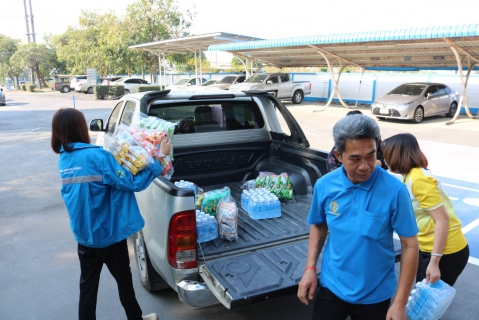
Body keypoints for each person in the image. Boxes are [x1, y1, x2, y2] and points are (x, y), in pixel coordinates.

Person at [297, 114, 419, 320]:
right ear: (338, 155)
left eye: (370, 156)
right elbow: (319, 225)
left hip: (375, 295)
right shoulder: (324, 185)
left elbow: (410, 245)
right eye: (355, 158)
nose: (365, 166)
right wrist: (310, 268)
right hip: (331, 286)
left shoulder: (395, 191)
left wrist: (400, 302)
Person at [51, 108, 168, 320]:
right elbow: (130, 182)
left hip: (85, 234)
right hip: (108, 234)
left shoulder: (64, 159)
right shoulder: (98, 156)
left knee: (88, 287)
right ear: (80, 128)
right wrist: (160, 159)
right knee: (123, 281)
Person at [381, 133, 469, 286]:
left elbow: (442, 219)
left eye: (385, 155)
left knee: (423, 305)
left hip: (447, 252)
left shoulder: (419, 179)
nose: (384, 160)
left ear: (396, 155)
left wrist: (434, 262)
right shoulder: (409, 175)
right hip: (429, 247)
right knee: (419, 300)